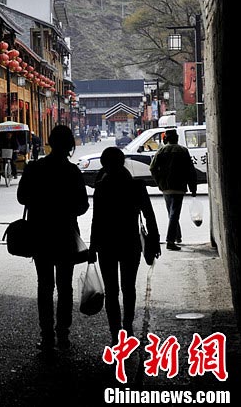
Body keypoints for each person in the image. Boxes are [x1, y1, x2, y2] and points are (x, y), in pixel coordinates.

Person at [17, 125, 89, 352]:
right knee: (65, 286)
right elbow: (83, 206)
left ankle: (47, 335)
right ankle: (63, 335)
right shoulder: (73, 172)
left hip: (40, 233)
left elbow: (21, 198)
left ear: (49, 142)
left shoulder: (34, 168)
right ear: (70, 146)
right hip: (65, 233)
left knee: (45, 285)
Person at [88, 147, 160, 344]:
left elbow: (97, 220)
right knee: (129, 287)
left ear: (104, 165)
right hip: (130, 242)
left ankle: (115, 331)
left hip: (106, 244)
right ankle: (127, 327)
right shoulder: (136, 186)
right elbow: (149, 216)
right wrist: (154, 239)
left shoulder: (101, 187)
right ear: (123, 162)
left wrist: (93, 247)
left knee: (111, 290)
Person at [149, 128, 197, 251]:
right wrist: (193, 188)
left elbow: (152, 168)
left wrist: (159, 181)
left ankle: (177, 236)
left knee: (172, 213)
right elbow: (191, 171)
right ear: (177, 138)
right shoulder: (183, 151)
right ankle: (170, 241)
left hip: (166, 187)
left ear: (165, 139)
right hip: (179, 187)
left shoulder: (161, 151)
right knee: (174, 213)